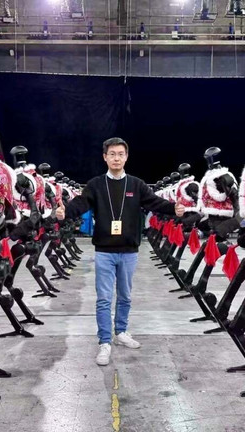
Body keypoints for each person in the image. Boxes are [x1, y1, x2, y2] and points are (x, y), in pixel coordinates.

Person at [56, 137, 185, 365]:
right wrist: (64, 211)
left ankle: (122, 332)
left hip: (129, 251)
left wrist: (174, 209)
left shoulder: (136, 185)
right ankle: (105, 341)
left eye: (120, 154)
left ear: (126, 157)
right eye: (112, 154)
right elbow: (80, 203)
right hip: (104, 251)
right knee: (104, 298)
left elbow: (155, 202)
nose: (116, 158)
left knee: (125, 295)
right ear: (105, 157)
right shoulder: (96, 184)